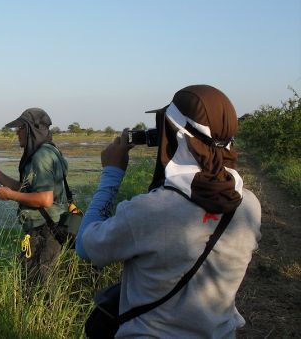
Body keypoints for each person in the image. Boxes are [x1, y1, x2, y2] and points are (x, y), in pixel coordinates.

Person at [76, 85, 261, 338]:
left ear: (174, 136)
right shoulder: (249, 206)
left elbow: (86, 246)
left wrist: (112, 173)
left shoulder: (150, 210)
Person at [0, 107, 69, 285]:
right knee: (32, 279)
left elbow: (45, 199)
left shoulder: (41, 157)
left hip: (45, 231)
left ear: (31, 130)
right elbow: (26, 189)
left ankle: (44, 313)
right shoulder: (48, 151)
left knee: (39, 285)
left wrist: (10, 195)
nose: (17, 133)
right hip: (45, 229)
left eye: (20, 128)